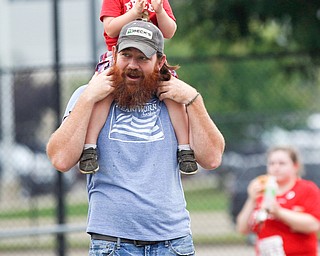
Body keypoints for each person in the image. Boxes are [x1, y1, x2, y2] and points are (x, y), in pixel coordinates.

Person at [46, 20, 225, 256]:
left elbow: (212, 158)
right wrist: (88, 98)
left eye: (142, 58)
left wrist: (195, 100)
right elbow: (60, 159)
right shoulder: (89, 96)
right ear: (113, 54)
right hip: (112, 244)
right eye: (126, 55)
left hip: (173, 243)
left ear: (160, 62)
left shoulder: (176, 99)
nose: (132, 65)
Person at [79, 0, 198, 175]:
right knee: (101, 93)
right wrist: (134, 12)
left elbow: (169, 31)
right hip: (119, 57)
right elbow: (110, 28)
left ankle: (185, 149)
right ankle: (89, 148)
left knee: (172, 92)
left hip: (149, 59)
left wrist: (159, 12)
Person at [236, 146, 320, 256]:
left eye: (282, 163)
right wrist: (251, 199)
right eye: (271, 163)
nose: (276, 167)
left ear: (295, 166)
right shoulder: (262, 191)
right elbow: (242, 228)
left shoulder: (306, 189)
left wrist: (279, 212)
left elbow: (313, 225)